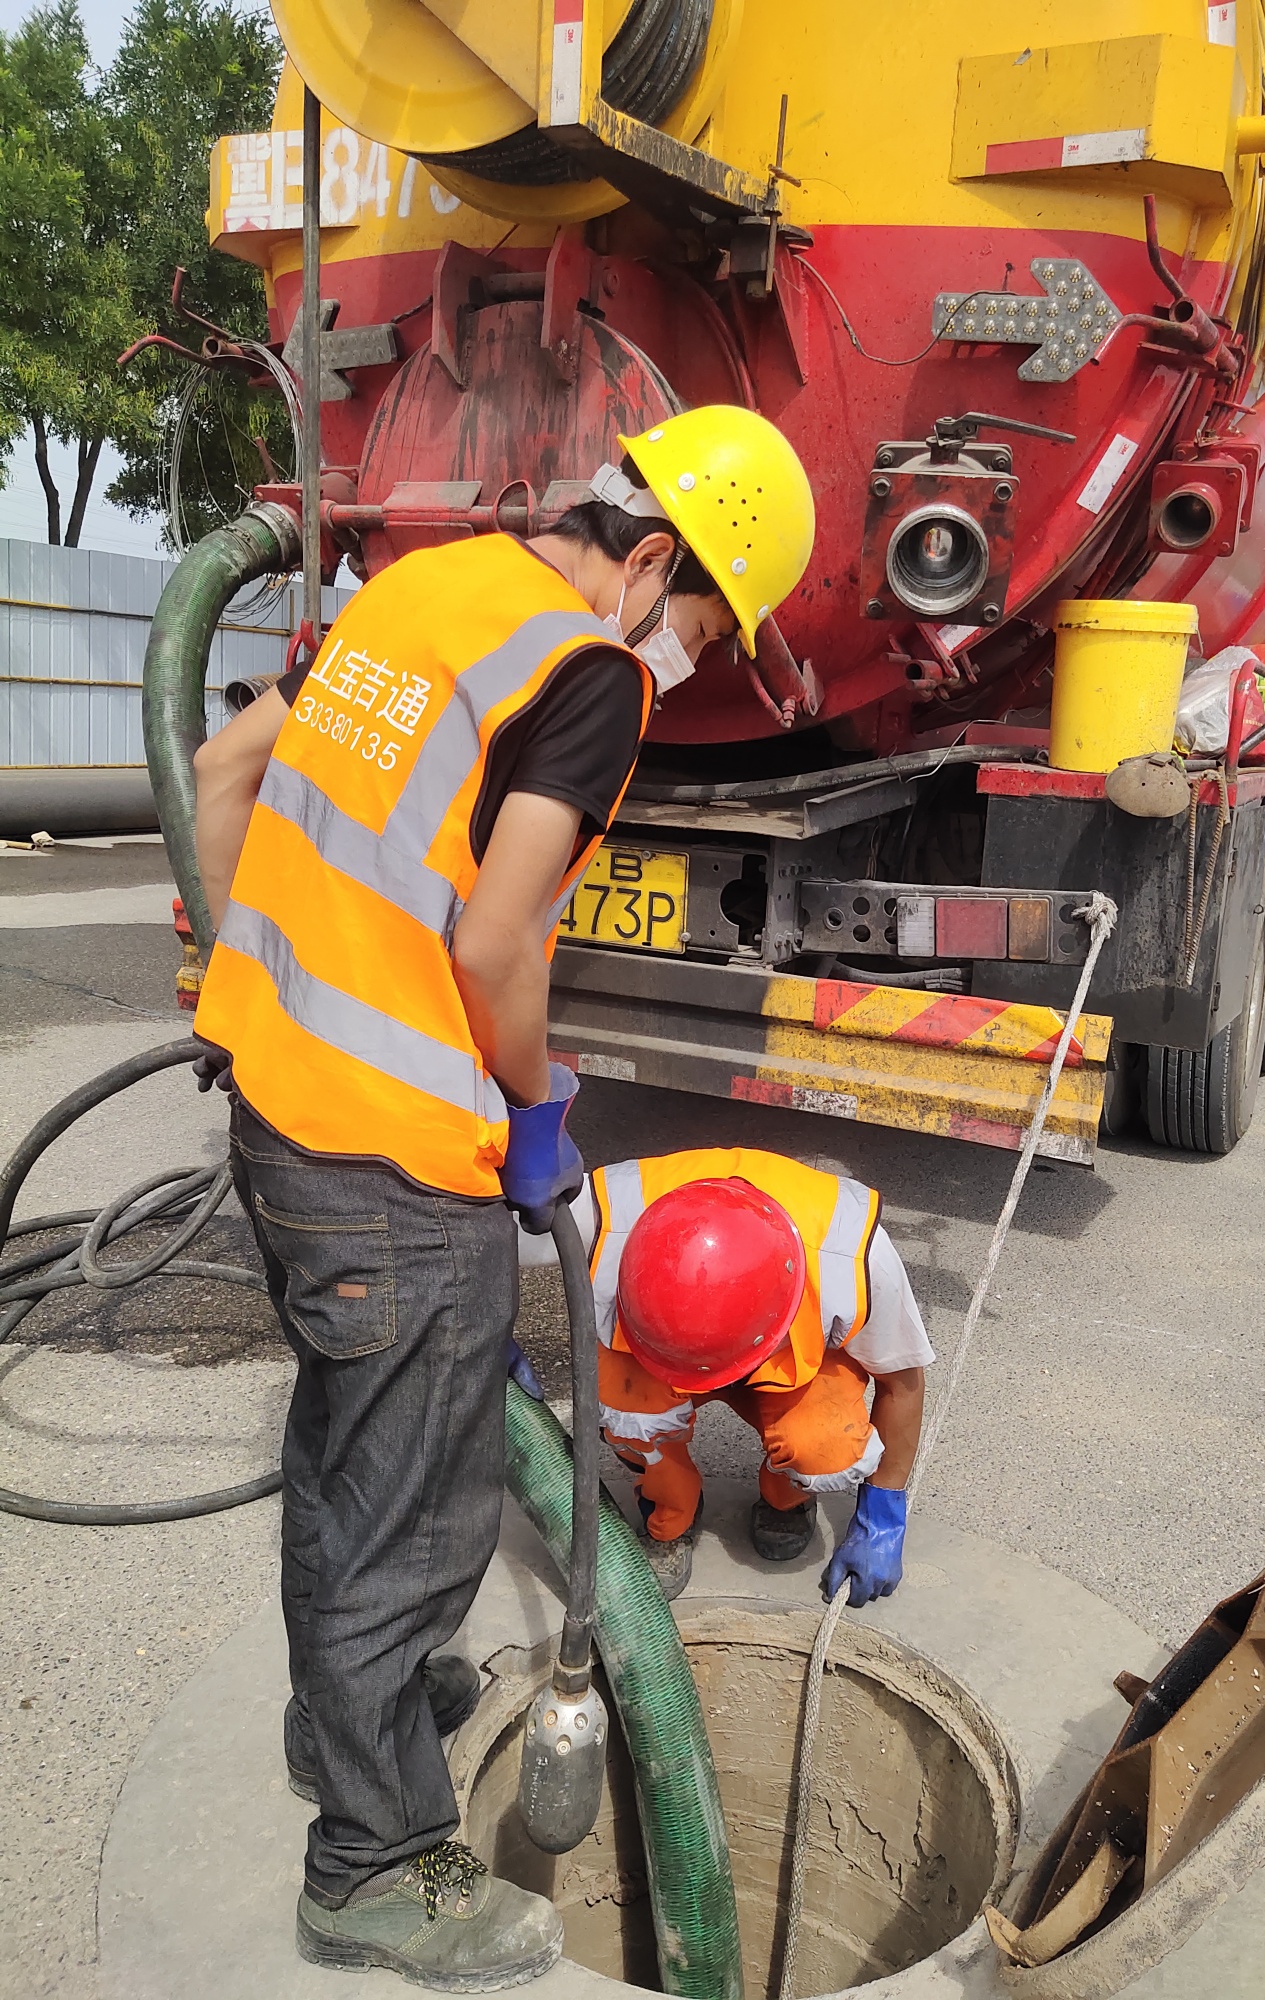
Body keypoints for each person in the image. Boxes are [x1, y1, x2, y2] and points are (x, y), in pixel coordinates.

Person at [189, 408, 815, 1991]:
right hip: (394, 1159)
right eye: (706, 626)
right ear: (655, 558)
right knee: (422, 1508)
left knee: (348, 1456)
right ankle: (377, 1865)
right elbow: (493, 944)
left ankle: (346, 1714)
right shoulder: (585, 673)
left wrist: (225, 974)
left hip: (277, 1109)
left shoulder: (426, 590)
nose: (690, 659)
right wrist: (538, 1099)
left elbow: (227, 765)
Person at [568, 1147, 932, 1602]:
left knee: (824, 1443)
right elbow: (490, 1232)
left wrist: (883, 1517)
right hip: (655, 1349)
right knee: (617, 1401)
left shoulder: (854, 1257)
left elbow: (902, 1382)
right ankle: (670, 1506)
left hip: (794, 1360)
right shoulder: (603, 1216)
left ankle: (788, 1499)